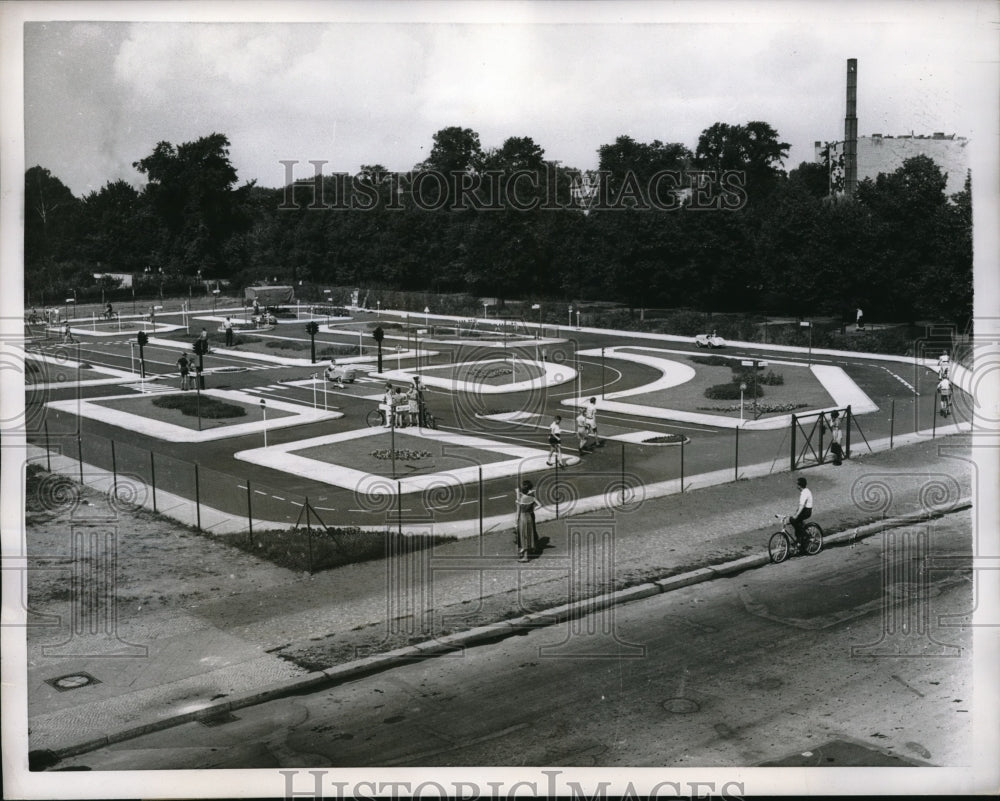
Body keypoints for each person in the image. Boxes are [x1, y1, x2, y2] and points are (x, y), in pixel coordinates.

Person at [515, 480, 540, 562]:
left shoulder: (520, 500)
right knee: (529, 534)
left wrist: (516, 523)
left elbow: (518, 512)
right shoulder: (532, 498)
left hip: (522, 518)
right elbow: (540, 504)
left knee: (523, 536)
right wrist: (533, 509)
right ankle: (531, 550)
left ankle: (525, 556)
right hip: (529, 516)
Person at [790, 477, 813, 546]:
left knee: (793, 520)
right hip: (807, 510)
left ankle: (805, 536)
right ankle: (799, 540)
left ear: (799, 486)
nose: (796, 486)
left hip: (806, 511)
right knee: (797, 524)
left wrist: (796, 515)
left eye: (797, 484)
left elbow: (802, 506)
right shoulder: (806, 490)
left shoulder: (804, 493)